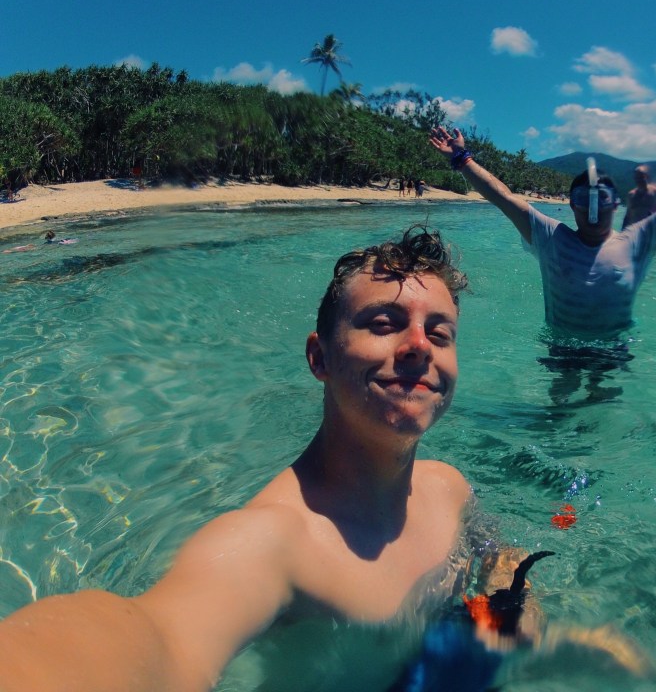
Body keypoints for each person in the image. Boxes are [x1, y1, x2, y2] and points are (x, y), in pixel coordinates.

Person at [0, 227, 477, 690]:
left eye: (440, 334)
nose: (419, 346)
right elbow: (160, 638)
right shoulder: (271, 543)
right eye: (383, 324)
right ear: (320, 358)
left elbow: (491, 566)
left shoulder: (449, 490)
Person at [429, 125, 656, 339]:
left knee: (605, 420)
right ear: (571, 205)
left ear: (615, 204)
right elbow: (502, 196)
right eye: (583, 199)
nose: (592, 208)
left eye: (601, 199)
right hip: (562, 348)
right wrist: (462, 158)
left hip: (613, 350)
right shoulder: (550, 237)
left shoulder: (637, 242)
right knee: (558, 415)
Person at [620, 164, 656, 229]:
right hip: (633, 230)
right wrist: (622, 231)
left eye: (641, 177)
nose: (639, 180)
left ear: (647, 177)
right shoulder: (631, 195)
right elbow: (628, 216)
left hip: (649, 230)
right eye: (637, 177)